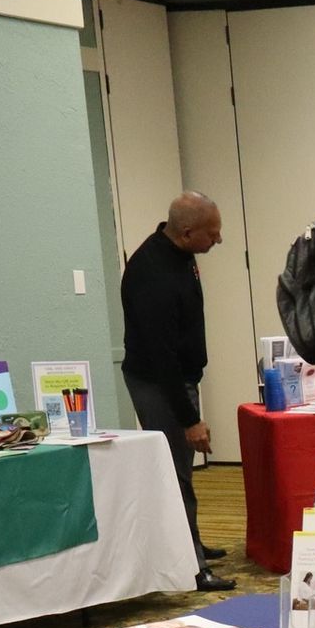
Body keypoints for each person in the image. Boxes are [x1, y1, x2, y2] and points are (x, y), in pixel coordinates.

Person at [120, 191, 235, 593]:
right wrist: (190, 419)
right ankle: (193, 568)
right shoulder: (151, 274)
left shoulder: (182, 256)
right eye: (212, 233)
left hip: (177, 376)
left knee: (182, 469)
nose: (218, 240)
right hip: (157, 381)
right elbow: (162, 357)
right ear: (187, 233)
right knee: (176, 475)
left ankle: (193, 543)